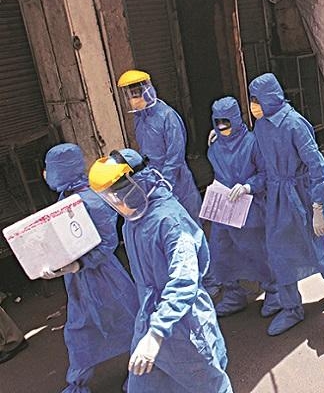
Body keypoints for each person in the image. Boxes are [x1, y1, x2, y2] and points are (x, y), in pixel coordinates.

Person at [88, 149, 232, 393]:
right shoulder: (133, 222)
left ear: (137, 181)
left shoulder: (170, 221)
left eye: (118, 192)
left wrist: (156, 333)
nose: (116, 201)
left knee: (208, 385)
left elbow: (183, 281)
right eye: (109, 196)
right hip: (151, 318)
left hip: (183, 322)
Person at [248, 73, 324, 336]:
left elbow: (318, 167)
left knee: (316, 250)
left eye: (256, 100)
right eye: (252, 100)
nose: (253, 106)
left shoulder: (294, 124)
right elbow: (263, 163)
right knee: (278, 252)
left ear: (269, 98)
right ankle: (291, 307)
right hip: (278, 198)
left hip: (302, 196)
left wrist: (317, 206)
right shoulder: (261, 127)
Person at [41, 143, 138, 393]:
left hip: (105, 277)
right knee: (79, 332)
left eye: (50, 168)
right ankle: (77, 383)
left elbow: (107, 243)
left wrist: (80, 263)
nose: (45, 174)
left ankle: (141, 373)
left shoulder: (93, 200)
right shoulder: (67, 198)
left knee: (127, 322)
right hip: (79, 280)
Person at [206, 96, 280, 317]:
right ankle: (233, 295)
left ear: (236, 119)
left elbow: (266, 173)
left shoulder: (252, 143)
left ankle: (274, 292)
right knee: (221, 251)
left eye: (226, 122)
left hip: (250, 207)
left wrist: (248, 186)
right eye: (218, 122)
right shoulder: (215, 145)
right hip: (223, 208)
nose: (222, 127)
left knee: (257, 252)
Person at [116, 69, 202, 224]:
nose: (132, 101)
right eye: (129, 96)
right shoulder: (139, 119)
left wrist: (166, 181)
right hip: (154, 178)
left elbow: (176, 154)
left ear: (147, 92)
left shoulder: (167, 116)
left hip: (176, 179)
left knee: (188, 220)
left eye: (135, 95)